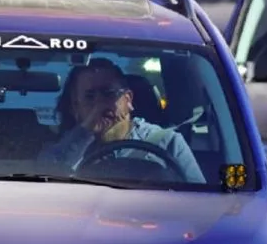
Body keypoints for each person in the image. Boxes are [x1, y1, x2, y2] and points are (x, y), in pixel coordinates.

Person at [39, 59, 206, 183]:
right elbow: (45, 185)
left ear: (128, 99)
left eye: (109, 93)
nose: (100, 104)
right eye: (90, 97)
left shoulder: (167, 141)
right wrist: (85, 132)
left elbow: (200, 199)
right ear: (75, 108)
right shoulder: (64, 149)